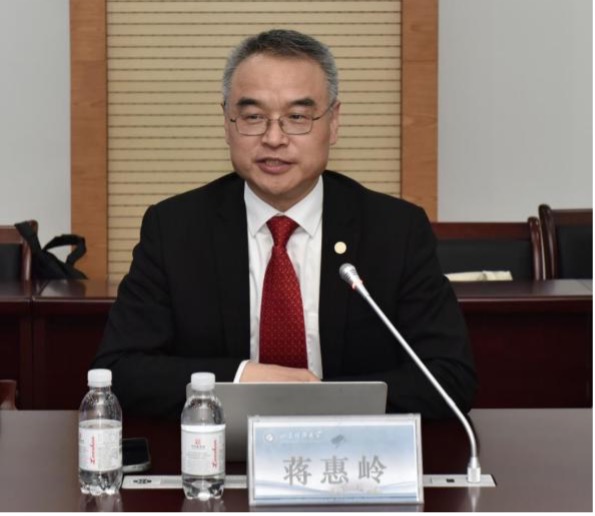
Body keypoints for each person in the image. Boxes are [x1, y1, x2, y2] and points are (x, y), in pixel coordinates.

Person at [93, 29, 477, 420]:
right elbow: (120, 371)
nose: (274, 138)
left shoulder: (395, 230)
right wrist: (242, 378)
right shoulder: (175, 229)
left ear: (334, 122)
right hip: (220, 450)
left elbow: (449, 377)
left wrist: (322, 402)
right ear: (227, 123)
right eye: (253, 117)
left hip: (348, 447)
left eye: (297, 117)